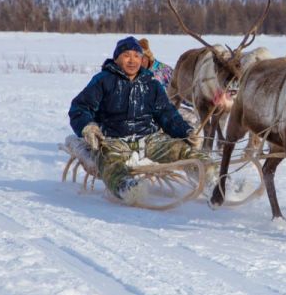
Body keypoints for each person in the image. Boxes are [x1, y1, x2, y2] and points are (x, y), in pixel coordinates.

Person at [69, 36, 204, 202]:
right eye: (126, 55)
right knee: (110, 163)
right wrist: (87, 126)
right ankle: (127, 188)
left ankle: (213, 178)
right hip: (113, 140)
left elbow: (166, 113)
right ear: (117, 58)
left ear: (142, 59)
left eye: (136, 56)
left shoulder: (151, 83)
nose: (132, 60)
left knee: (186, 151)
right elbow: (80, 107)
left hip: (150, 139)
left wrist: (186, 131)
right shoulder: (103, 80)